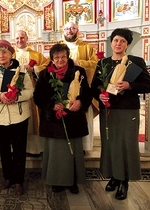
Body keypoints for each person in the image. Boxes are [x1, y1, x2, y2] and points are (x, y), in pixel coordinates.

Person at [91, 28, 150, 200]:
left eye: (122, 41)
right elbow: (94, 86)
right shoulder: (103, 63)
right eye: (116, 40)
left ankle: (124, 181)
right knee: (110, 145)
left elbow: (148, 85)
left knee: (126, 145)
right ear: (111, 42)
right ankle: (114, 177)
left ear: (128, 44)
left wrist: (129, 86)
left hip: (127, 110)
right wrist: (99, 95)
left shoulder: (136, 62)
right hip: (108, 111)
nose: (118, 44)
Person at [34, 43, 92, 194]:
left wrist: (80, 102)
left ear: (68, 57)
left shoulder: (79, 71)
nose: (60, 60)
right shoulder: (44, 74)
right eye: (57, 57)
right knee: (56, 152)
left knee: (73, 150)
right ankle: (56, 181)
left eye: (63, 57)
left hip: (74, 119)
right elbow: (38, 97)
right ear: (52, 59)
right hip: (54, 121)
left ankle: (73, 181)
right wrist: (51, 106)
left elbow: (87, 93)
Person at [0, 40, 34, 195]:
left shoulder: (22, 71)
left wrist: (16, 97)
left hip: (19, 116)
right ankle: (7, 177)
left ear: (11, 54)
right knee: (4, 149)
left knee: (19, 149)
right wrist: (0, 96)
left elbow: (30, 91)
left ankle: (19, 180)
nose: (1, 55)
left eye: (4, 52)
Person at [61, 21, 99, 153]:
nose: (69, 31)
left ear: (77, 30)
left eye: (72, 28)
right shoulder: (59, 47)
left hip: (82, 88)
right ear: (63, 31)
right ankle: (65, 142)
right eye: (66, 29)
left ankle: (83, 146)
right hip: (63, 88)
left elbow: (95, 63)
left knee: (82, 113)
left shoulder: (86, 47)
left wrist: (79, 63)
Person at [14, 30, 50, 156]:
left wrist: (34, 68)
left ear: (27, 38)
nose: (20, 40)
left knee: (34, 118)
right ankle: (18, 148)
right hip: (16, 91)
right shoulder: (11, 55)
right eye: (17, 38)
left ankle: (35, 148)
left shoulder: (36, 54)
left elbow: (46, 66)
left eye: (22, 38)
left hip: (33, 89)